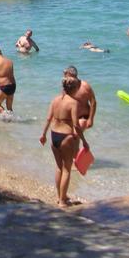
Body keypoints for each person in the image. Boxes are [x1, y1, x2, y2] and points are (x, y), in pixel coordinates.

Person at [39, 76, 88, 207]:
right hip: (66, 137)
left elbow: (48, 118)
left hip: (54, 135)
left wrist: (43, 135)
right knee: (67, 169)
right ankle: (62, 201)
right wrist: (84, 141)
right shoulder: (73, 103)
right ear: (75, 89)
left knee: (59, 168)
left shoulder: (55, 100)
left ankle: (60, 196)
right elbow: (76, 125)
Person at [64, 65, 96, 131]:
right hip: (70, 117)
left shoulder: (85, 86)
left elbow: (93, 102)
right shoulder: (67, 86)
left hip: (82, 117)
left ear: (71, 75)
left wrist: (90, 119)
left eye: (66, 74)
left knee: (75, 137)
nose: (64, 77)